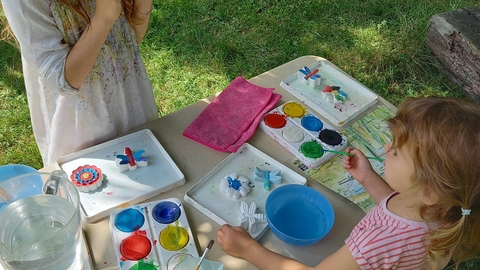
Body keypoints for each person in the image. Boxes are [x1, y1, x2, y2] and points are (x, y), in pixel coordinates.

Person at [217, 97, 480, 269]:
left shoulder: (375, 244)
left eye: (397, 152)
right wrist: (368, 178)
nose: (387, 147)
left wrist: (248, 249)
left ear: (429, 190)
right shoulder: (450, 210)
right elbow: (399, 208)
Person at [1, 0, 158, 166]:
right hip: (82, 135)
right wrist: (104, 17)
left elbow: (130, 37)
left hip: (134, 110)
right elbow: (61, 79)